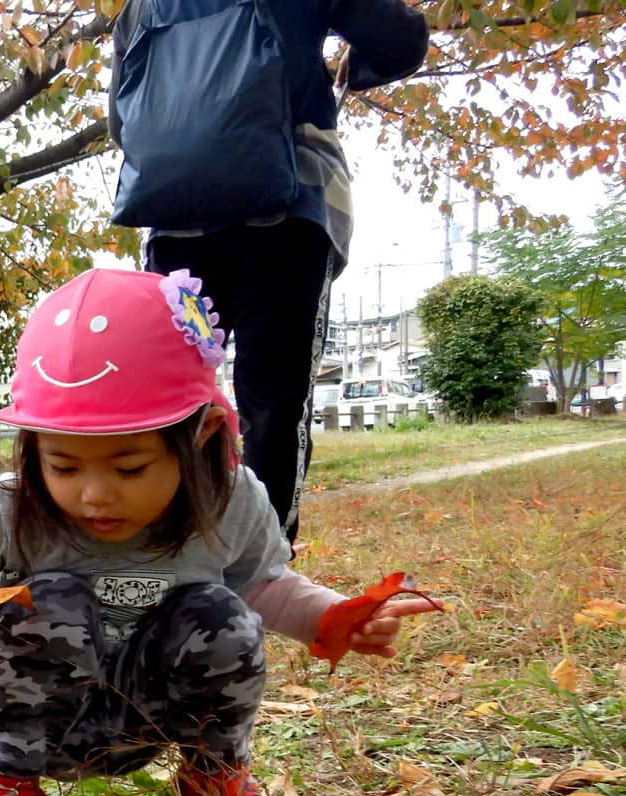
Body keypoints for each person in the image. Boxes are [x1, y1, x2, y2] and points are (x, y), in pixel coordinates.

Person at [0, 269, 438, 796]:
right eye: (62, 465)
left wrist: (332, 618)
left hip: (153, 708)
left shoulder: (228, 499)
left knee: (221, 614)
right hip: (35, 710)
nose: (94, 494)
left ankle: (213, 774)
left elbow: (264, 587)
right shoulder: (9, 503)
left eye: (130, 467)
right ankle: (11, 790)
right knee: (48, 597)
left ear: (202, 434)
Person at [107, 0, 429, 542]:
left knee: (170, 395)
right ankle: (263, 565)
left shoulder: (139, 8)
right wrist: (356, 66)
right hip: (287, 210)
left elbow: (123, 123)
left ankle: (164, 550)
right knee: (275, 402)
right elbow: (398, 40)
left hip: (176, 221)